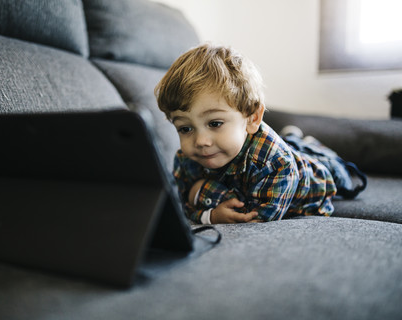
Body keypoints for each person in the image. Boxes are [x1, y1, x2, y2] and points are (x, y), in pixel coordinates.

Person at [154, 43, 366, 224]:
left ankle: (303, 144)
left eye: (215, 123)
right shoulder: (186, 159)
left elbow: (252, 217)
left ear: (253, 118)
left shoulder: (275, 163)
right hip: (270, 155)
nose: (200, 141)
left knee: (337, 171)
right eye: (185, 128)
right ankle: (293, 139)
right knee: (292, 144)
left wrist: (200, 193)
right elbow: (177, 203)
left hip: (315, 176)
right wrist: (208, 214)